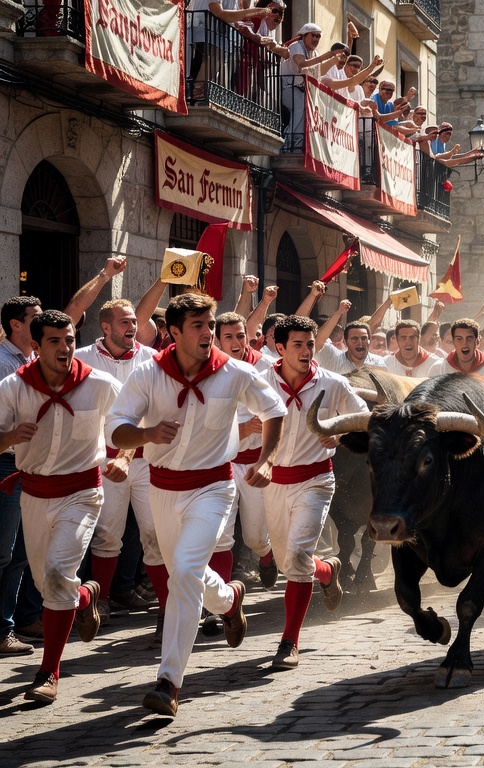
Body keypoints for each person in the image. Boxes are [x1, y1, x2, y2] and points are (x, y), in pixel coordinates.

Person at [108, 292, 287, 716]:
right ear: (173, 332)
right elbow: (116, 428)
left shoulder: (235, 372)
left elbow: (274, 410)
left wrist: (267, 460)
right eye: (198, 326)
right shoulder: (148, 373)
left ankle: (168, 681)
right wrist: (146, 435)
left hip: (213, 487)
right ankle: (229, 601)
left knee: (185, 572)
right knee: (184, 572)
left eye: (210, 325)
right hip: (162, 488)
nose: (208, 333)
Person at [0, 311, 121, 704]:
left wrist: (125, 457)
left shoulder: (99, 384)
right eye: (54, 341)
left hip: (82, 493)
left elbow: (130, 421)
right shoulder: (13, 387)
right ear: (35, 347)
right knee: (45, 584)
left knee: (55, 574)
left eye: (69, 340)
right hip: (34, 494)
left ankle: (48, 671)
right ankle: (83, 597)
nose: (65, 348)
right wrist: (10, 437)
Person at [263, 316, 366, 669]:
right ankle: (326, 571)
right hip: (274, 482)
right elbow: (236, 416)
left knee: (296, 558)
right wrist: (247, 427)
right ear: (280, 348)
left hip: (316, 480)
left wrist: (339, 433)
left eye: (310, 344)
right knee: (287, 563)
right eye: (298, 345)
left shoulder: (333, 383)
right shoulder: (261, 381)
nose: (307, 351)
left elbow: (362, 417)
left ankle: (289, 642)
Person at [74, 299, 158, 621]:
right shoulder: (83, 358)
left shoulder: (151, 359)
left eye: (134, 322)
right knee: (108, 533)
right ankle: (102, 600)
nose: (133, 327)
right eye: (125, 322)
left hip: (147, 460)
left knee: (155, 533)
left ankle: (167, 605)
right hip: (105, 463)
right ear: (106, 327)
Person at [210, 311, 278, 593]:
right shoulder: (210, 368)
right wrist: (243, 429)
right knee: (220, 536)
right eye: (229, 337)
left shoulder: (269, 367)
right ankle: (222, 597)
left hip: (255, 464)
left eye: (241, 336)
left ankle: (266, 555)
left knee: (254, 538)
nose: (237, 342)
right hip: (222, 463)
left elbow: (280, 413)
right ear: (218, 340)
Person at [0, 296, 41, 655]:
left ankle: (17, 621)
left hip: (32, 465)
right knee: (3, 552)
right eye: (34, 319)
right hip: (7, 463)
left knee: (22, 554)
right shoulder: (2, 364)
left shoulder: (34, 359)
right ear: (15, 325)